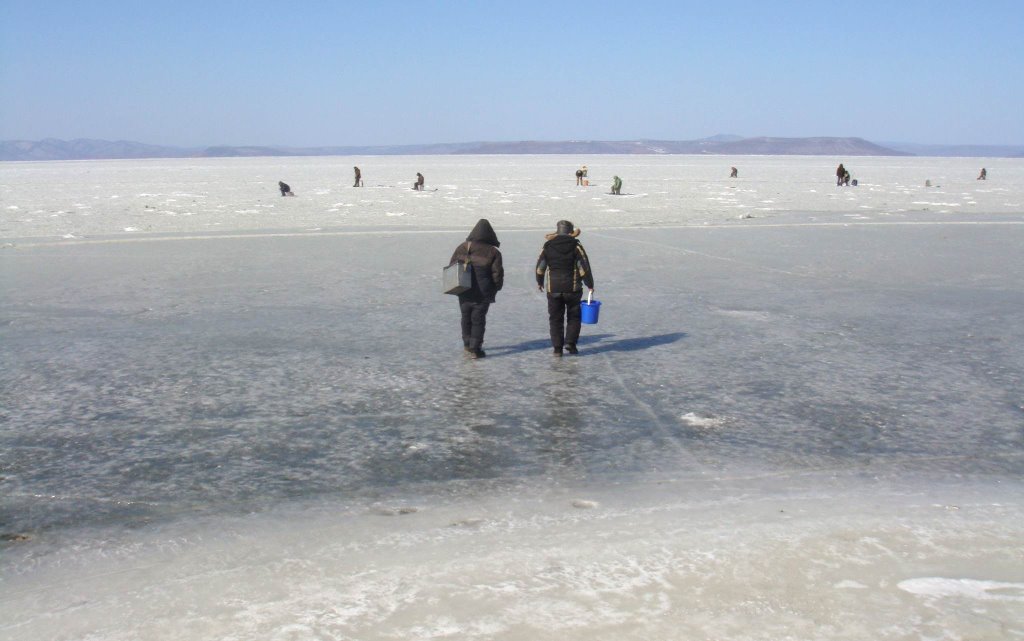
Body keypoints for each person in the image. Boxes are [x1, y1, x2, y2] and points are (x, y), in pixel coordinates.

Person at [535, 220, 595, 357]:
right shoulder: (576, 246)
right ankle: (570, 343)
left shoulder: (548, 246)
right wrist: (590, 284)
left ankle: (557, 348)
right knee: (574, 317)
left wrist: (539, 281)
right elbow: (583, 267)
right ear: (570, 232)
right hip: (572, 289)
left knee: (555, 318)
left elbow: (540, 267)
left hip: (553, 289)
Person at [449, 219, 503, 358]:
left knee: (466, 317)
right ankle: (475, 348)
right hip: (483, 292)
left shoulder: (462, 247)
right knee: (478, 319)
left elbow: (452, 266)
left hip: (463, 289)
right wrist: (496, 288)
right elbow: (497, 274)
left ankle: (467, 344)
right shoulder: (493, 252)